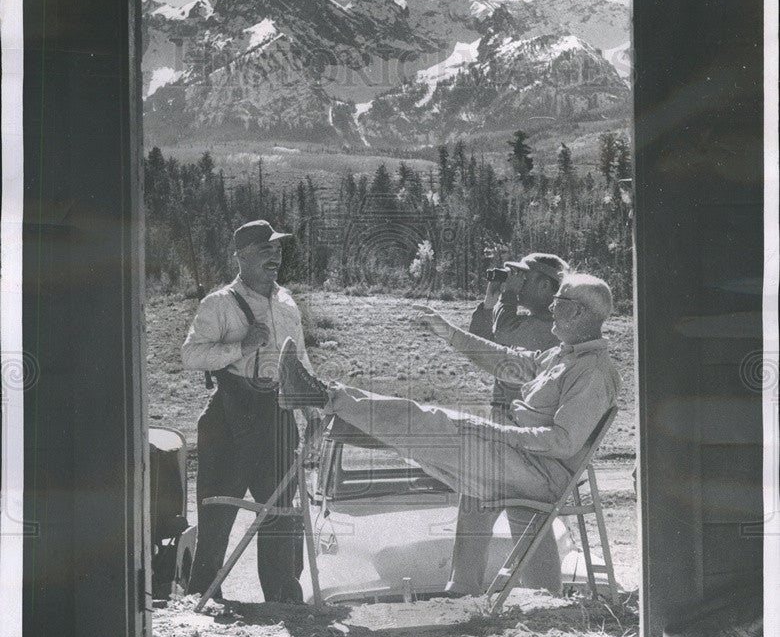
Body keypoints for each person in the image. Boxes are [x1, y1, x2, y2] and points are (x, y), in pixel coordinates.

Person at [276, 274, 621, 594]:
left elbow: (562, 442)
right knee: (460, 472)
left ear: (576, 312)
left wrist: (493, 431)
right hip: (527, 465)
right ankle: (463, 591)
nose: (550, 308)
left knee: (434, 422)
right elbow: (505, 361)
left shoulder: (592, 371)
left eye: (558, 302)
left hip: (539, 472)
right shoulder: (564, 356)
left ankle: (324, 398)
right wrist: (449, 333)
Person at [181, 219, 317, 602]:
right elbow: (190, 355)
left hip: (276, 412)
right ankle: (205, 596)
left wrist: (311, 408)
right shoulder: (219, 303)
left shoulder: (287, 301)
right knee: (219, 508)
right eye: (264, 250)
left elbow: (300, 358)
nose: (275, 256)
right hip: (229, 414)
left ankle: (284, 599)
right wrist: (240, 347)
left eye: (277, 249)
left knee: (280, 508)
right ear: (241, 256)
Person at [452, 253, 568, 596]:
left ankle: (468, 587)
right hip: (509, 427)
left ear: (546, 287)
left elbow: (502, 335)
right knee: (481, 496)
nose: (517, 285)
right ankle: (467, 586)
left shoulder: (549, 327)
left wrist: (507, 295)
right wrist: (492, 298)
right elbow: (479, 342)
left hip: (523, 432)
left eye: (525, 279)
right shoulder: (533, 322)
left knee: (494, 500)